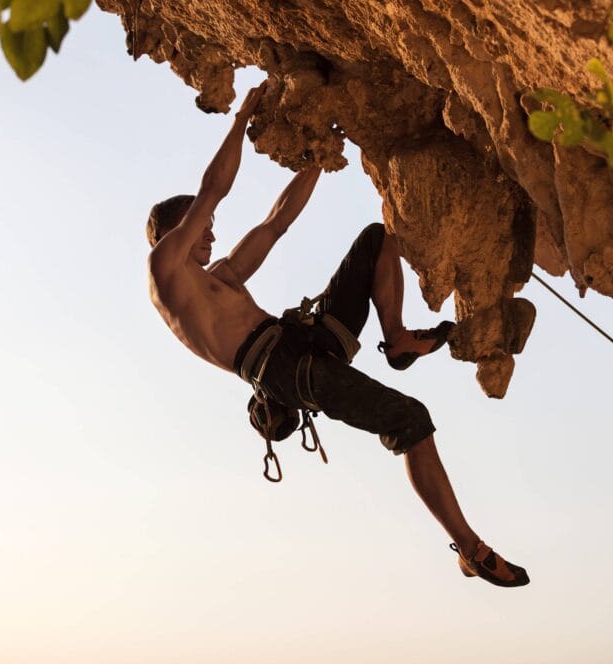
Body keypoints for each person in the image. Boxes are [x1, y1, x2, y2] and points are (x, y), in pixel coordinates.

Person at [146, 82, 529, 588]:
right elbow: (213, 188)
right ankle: (470, 548)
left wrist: (323, 158)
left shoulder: (219, 278)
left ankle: (397, 341)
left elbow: (275, 223)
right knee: (409, 419)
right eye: (204, 225)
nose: (213, 232)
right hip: (284, 369)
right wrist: (239, 121)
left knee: (378, 238)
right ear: (176, 230)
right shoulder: (165, 271)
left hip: (302, 339)